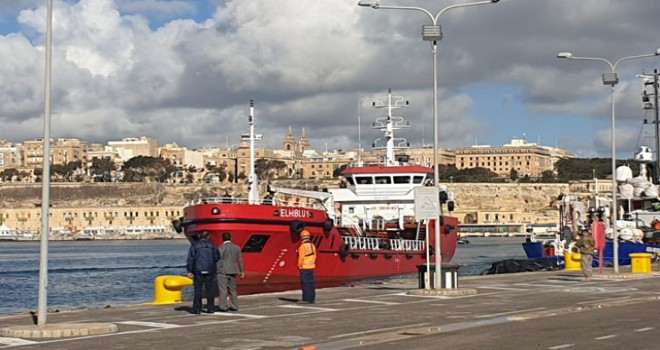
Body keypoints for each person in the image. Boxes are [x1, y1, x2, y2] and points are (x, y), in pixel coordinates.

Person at [186, 231, 220, 314]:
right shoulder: (213, 245)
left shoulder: (195, 245)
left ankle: (197, 309)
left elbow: (191, 259)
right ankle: (210, 308)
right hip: (210, 270)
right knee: (210, 290)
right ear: (208, 237)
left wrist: (189, 270)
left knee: (198, 290)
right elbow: (217, 257)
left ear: (199, 236)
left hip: (198, 270)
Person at [216, 232, 245, 312]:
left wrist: (217, 269)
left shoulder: (221, 247)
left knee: (223, 289)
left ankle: (223, 306)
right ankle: (234, 305)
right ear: (230, 238)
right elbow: (240, 260)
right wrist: (242, 271)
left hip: (223, 271)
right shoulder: (237, 247)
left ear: (222, 238)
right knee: (233, 289)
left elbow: (218, 260)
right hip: (234, 270)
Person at [296, 229, 317, 304]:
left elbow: (301, 257)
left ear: (302, 237)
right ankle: (312, 298)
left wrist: (299, 265)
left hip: (305, 267)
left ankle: (306, 299)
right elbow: (315, 256)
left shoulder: (302, 246)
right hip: (312, 266)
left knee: (305, 283)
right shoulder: (312, 245)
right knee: (311, 283)